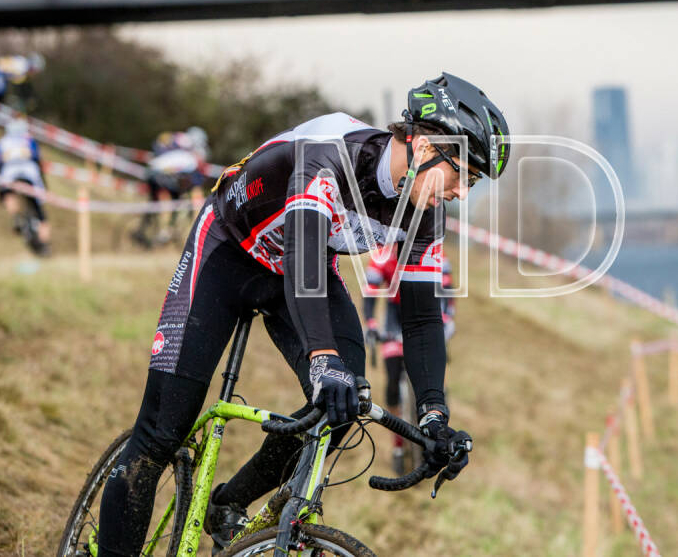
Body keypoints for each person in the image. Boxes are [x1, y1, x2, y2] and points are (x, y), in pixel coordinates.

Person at [94, 73, 510, 556]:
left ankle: (229, 503)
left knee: (346, 396)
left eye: (473, 182)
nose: (462, 192)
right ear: (422, 146)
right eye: (462, 174)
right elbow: (303, 263)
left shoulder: (425, 212)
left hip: (297, 268)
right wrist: (321, 357)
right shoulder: (330, 154)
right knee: (162, 432)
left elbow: (421, 319)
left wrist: (434, 415)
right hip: (228, 251)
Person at [363, 246, 457, 474]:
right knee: (393, 382)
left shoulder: (435, 255)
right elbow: (371, 292)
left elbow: (446, 293)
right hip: (396, 315)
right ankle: (398, 442)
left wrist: (445, 321)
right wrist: (371, 324)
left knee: (432, 378)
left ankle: (437, 424)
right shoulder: (382, 257)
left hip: (427, 311)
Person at [132, 127, 210, 247]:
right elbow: (194, 179)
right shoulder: (191, 156)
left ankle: (146, 227)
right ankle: (165, 231)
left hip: (153, 172)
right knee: (176, 198)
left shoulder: (179, 142)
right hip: (159, 175)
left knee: (156, 202)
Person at [0, 118, 51, 255]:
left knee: (8, 195)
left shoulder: (3, 141)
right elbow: (37, 160)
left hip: (9, 173)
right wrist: (44, 186)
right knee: (41, 213)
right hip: (30, 174)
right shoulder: (29, 139)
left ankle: (16, 217)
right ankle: (45, 245)